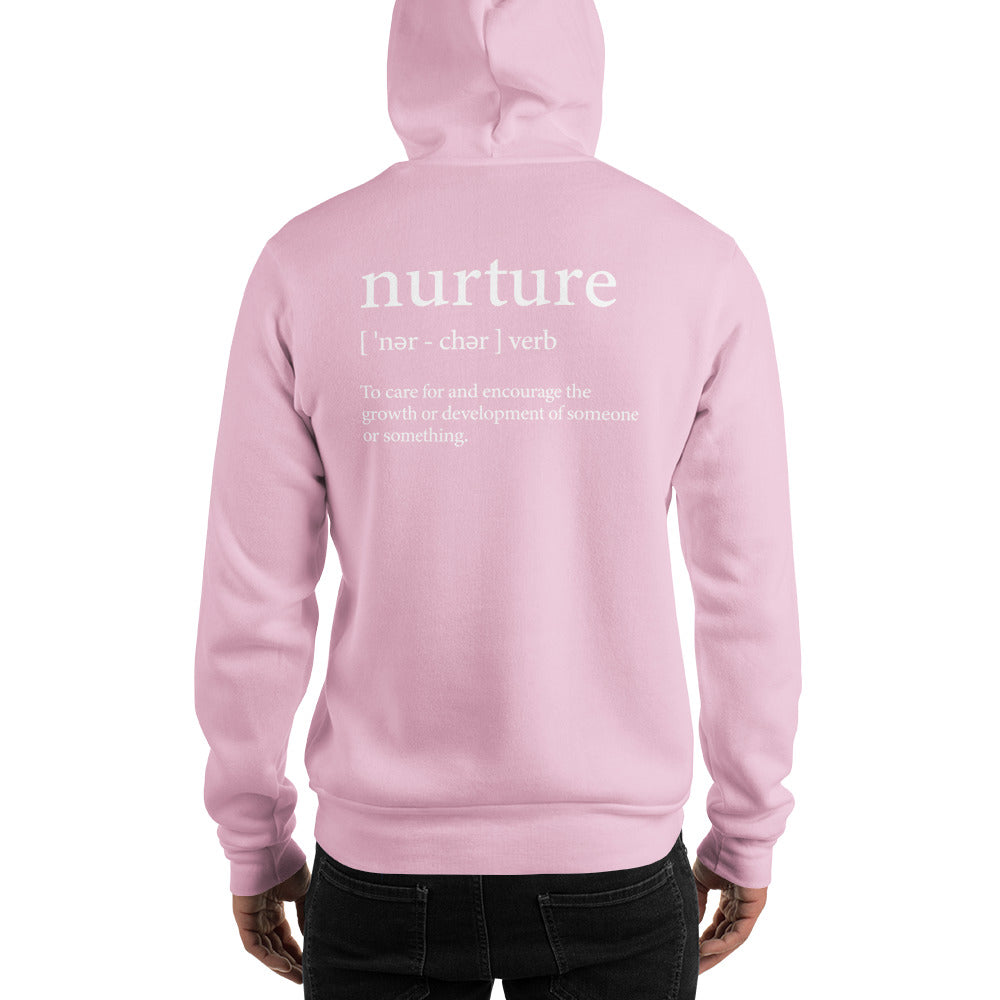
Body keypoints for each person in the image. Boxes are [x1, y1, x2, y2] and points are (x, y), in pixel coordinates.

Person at [193, 0, 802, 996]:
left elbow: (254, 591)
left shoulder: (303, 263)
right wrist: (747, 827)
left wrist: (252, 839)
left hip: (381, 871)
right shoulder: (697, 263)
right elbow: (746, 583)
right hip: (612, 864)